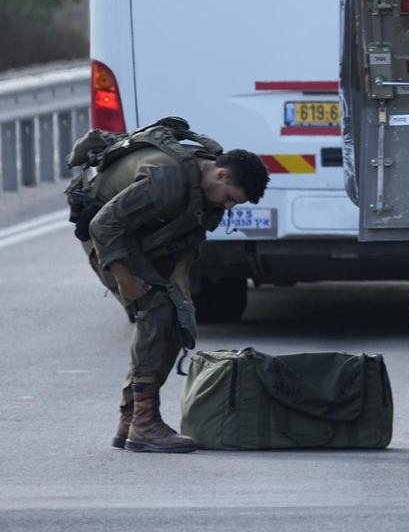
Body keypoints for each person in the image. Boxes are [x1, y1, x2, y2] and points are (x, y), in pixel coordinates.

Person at [78, 136, 269, 453]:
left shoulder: (209, 194)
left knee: (177, 313)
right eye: (231, 198)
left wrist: (181, 276)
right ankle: (144, 423)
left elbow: (193, 234)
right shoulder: (165, 180)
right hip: (107, 235)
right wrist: (124, 278)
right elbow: (103, 225)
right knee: (157, 311)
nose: (229, 206)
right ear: (221, 174)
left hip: (143, 237)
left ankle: (132, 418)